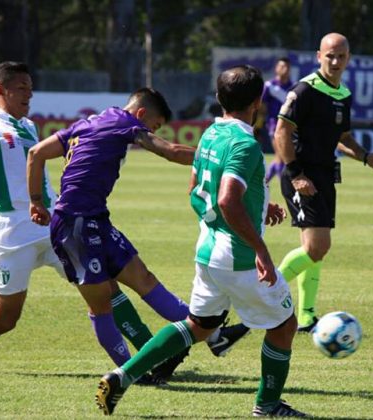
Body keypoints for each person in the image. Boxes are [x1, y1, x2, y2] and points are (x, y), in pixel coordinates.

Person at [0, 63, 166, 377]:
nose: (29, 95)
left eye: (31, 89)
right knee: (3, 320)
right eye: (22, 88)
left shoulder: (29, 126)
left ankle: (153, 358)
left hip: (53, 224)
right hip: (14, 230)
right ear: (0, 90)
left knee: (107, 287)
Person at [95, 65, 307, 418]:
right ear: (258, 102)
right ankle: (267, 406)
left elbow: (198, 189)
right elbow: (226, 199)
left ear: (220, 100)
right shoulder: (245, 143)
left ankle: (122, 375)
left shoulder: (210, 134)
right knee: (284, 326)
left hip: (208, 252)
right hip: (238, 257)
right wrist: (260, 249)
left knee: (199, 326)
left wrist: (254, 207)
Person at [26, 88, 249, 379]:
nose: (150, 131)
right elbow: (170, 151)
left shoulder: (89, 123)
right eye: (153, 126)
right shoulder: (125, 123)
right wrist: (216, 156)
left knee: (144, 278)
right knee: (101, 306)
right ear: (141, 114)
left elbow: (37, 153)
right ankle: (131, 372)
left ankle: (215, 335)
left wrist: (36, 201)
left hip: (96, 220)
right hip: (73, 226)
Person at [274, 33, 373, 333]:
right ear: (318, 56)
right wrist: (297, 174)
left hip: (324, 176)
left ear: (348, 58)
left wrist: (365, 157)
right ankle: (263, 296)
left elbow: (342, 138)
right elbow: (281, 133)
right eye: (330, 55)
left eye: (341, 56)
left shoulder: (343, 94)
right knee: (318, 247)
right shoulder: (305, 91)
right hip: (302, 176)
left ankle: (306, 315)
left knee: (313, 249)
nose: (335, 61)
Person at [263, 57, 294, 183]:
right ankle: (285, 185)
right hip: (274, 126)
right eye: (282, 66)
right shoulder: (269, 86)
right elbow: (262, 107)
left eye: (287, 67)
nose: (285, 69)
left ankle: (263, 183)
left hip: (290, 127)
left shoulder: (293, 87)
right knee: (282, 157)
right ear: (276, 68)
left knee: (279, 158)